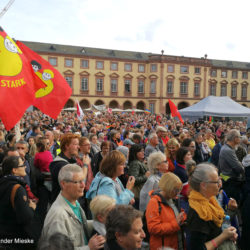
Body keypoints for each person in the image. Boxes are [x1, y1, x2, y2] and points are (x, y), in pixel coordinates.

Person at [41, 164, 105, 250]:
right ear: (63, 184)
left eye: (83, 180)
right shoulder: (58, 216)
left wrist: (99, 222)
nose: (83, 185)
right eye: (77, 182)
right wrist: (88, 248)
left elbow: (80, 226)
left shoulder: (74, 202)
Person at [187, 163, 238, 249]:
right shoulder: (199, 212)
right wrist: (223, 237)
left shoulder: (210, 200)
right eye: (216, 182)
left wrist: (228, 234)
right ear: (203, 185)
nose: (220, 184)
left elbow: (215, 228)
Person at [0, 156, 36, 247]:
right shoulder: (18, 188)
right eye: (22, 165)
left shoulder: (3, 182)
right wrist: (32, 208)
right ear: (14, 170)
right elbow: (26, 217)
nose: (25, 167)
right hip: (17, 237)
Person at [146, 172, 186, 250]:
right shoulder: (154, 202)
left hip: (178, 244)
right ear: (168, 188)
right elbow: (153, 228)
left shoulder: (174, 200)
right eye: (176, 190)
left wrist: (183, 219)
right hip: (163, 247)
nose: (178, 193)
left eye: (179, 190)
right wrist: (175, 223)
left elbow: (181, 214)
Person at [49, 133, 80, 203]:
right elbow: (76, 183)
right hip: (61, 205)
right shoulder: (60, 165)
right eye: (75, 144)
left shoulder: (71, 161)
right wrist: (85, 166)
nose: (78, 147)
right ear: (67, 146)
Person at [219, 129, 245, 203]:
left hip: (229, 180)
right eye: (239, 137)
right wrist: (242, 166)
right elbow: (239, 167)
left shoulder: (228, 148)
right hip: (231, 182)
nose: (240, 139)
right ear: (235, 138)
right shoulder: (228, 150)